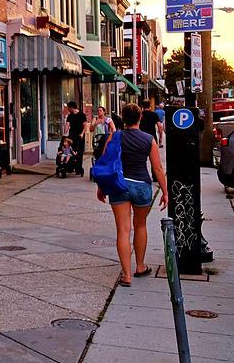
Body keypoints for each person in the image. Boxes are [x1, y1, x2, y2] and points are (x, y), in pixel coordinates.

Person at [97, 103, 169, 286]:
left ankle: (127, 275)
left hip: (119, 185)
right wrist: (165, 191)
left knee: (123, 230)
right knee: (140, 226)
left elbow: (105, 162)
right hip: (142, 186)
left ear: (123, 118)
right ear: (140, 118)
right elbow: (157, 168)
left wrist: (101, 187)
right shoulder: (149, 139)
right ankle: (140, 266)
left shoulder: (115, 136)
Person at [65, 101, 87, 175]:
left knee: (79, 152)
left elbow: (85, 125)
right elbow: (67, 125)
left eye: (68, 108)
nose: (68, 109)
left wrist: (82, 133)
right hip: (72, 136)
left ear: (71, 107)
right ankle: (70, 167)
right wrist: (65, 134)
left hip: (80, 136)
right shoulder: (70, 116)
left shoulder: (82, 115)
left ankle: (78, 168)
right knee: (71, 151)